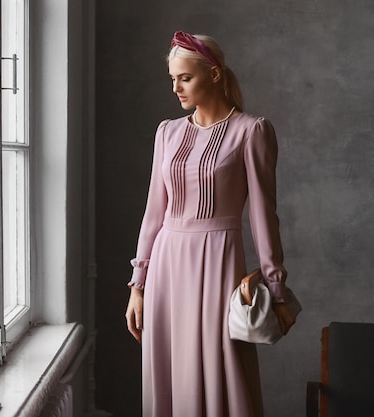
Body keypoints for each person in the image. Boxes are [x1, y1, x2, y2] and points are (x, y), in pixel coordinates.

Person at [124, 31, 296, 417]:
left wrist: (277, 288)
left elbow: (263, 216)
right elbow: (154, 212)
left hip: (218, 261)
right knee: (169, 371)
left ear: (214, 75)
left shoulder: (251, 131)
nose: (176, 88)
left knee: (221, 369)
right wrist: (138, 285)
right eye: (172, 79)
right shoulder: (167, 132)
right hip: (167, 264)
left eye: (185, 78)